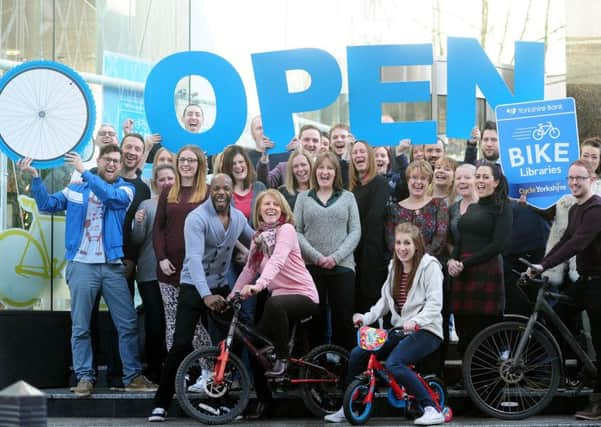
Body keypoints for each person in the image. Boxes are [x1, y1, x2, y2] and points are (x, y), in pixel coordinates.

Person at [18, 148, 156, 397]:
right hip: (81, 265)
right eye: (108, 160)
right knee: (80, 326)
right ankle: (84, 377)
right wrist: (36, 178)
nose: (113, 164)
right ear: (100, 162)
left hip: (112, 266)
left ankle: (132, 377)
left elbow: (109, 198)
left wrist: (84, 172)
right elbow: (47, 205)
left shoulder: (125, 190)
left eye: (117, 160)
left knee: (127, 324)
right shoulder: (75, 190)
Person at [149, 174, 253, 422]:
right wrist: (205, 296)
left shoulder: (237, 218)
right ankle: (160, 404)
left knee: (233, 342)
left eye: (225, 188)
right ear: (210, 191)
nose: (220, 192)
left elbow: (254, 237)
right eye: (216, 188)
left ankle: (224, 400)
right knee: (181, 344)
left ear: (230, 192)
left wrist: (271, 243)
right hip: (194, 286)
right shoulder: (196, 218)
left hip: (219, 285)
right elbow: (193, 259)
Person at [324, 223, 444, 425]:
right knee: (357, 354)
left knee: (395, 363)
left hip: (426, 330)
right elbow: (384, 302)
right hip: (400, 329)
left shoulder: (429, 266)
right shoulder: (394, 266)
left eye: (407, 243)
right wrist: (366, 317)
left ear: (417, 245)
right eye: (398, 243)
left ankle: (431, 408)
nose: (402, 248)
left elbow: (435, 304)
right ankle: (348, 406)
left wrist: (416, 321)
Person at [526, 159, 601, 421]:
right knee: (560, 313)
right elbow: (564, 240)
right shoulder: (576, 209)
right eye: (570, 178)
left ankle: (598, 401)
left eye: (580, 178)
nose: (574, 183)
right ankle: (584, 367)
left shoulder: (595, 209)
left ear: (591, 179)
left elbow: (577, 244)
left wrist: (545, 264)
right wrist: (541, 265)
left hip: (599, 282)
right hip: (586, 279)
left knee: (600, 341)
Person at [229, 189, 319, 377]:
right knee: (255, 346)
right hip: (278, 302)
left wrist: (258, 286)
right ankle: (264, 400)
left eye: (275, 204)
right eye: (266, 204)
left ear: (283, 210)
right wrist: (232, 296)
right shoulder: (257, 239)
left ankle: (282, 359)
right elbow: (249, 270)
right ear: (259, 211)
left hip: (303, 295)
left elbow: (277, 260)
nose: (271, 208)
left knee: (273, 303)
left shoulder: (286, 230)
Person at [294, 152, 361, 350]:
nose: (325, 172)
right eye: (321, 168)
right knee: (316, 321)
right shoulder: (303, 198)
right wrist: (316, 257)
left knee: (343, 321)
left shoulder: (348, 197)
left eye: (329, 168)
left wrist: (335, 257)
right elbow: (297, 231)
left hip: (342, 268)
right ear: (315, 172)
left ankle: (345, 370)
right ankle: (317, 368)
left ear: (336, 173)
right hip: (312, 268)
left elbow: (355, 231)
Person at [447, 161, 512, 356]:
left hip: (486, 270)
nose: (480, 181)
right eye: (478, 176)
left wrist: (464, 263)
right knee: (462, 327)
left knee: (484, 330)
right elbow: (460, 240)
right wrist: (452, 260)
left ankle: (486, 382)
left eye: (485, 177)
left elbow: (497, 245)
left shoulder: (503, 207)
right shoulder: (473, 208)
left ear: (497, 181)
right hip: (462, 273)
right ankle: (467, 378)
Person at [152, 145, 211, 352]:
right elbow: (158, 228)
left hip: (195, 271)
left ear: (200, 164)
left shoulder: (208, 192)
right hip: (168, 269)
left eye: (191, 160)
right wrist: (161, 258)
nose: (186, 164)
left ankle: (207, 370)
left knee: (193, 324)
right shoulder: (169, 190)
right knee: (172, 323)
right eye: (183, 160)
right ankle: (176, 373)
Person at [130, 163, 177, 382]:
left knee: (175, 322)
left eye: (170, 178)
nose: (166, 182)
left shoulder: (181, 204)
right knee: (155, 323)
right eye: (162, 179)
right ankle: (155, 369)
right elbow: (137, 240)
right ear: (155, 183)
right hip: (149, 273)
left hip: (176, 273)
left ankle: (177, 367)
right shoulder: (147, 205)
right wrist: (137, 224)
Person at [349, 141, 391, 314]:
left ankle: (373, 342)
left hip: (371, 256)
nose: (359, 155)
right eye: (355, 152)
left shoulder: (380, 183)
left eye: (362, 151)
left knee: (370, 310)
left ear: (370, 156)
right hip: (352, 255)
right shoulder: (351, 187)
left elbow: (373, 220)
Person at [386, 160, 449, 261]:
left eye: (423, 178)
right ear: (408, 180)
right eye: (414, 177)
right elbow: (390, 241)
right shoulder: (394, 209)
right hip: (401, 265)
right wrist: (406, 258)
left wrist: (418, 259)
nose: (418, 182)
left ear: (429, 182)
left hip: (429, 265)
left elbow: (440, 239)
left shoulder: (438, 204)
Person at [257, 124, 322, 188]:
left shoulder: (325, 169)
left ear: (320, 144)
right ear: (298, 141)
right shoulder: (283, 168)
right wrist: (265, 155)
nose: (310, 144)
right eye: (306, 140)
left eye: (315, 140)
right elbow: (264, 183)